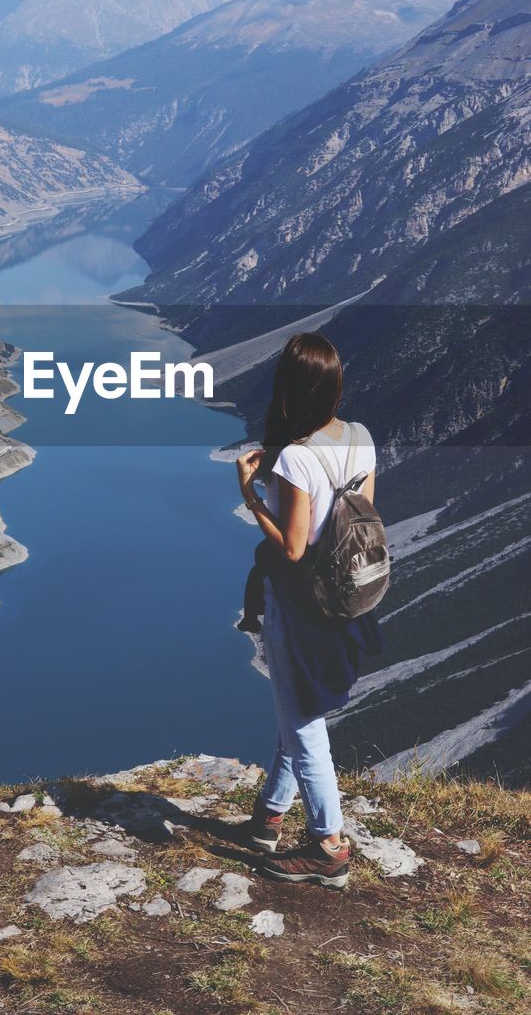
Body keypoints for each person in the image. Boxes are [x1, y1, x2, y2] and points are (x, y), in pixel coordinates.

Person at [235, 331, 382, 889]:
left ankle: (327, 845)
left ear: (290, 391)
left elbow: (292, 547)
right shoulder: (363, 440)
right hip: (346, 596)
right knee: (299, 709)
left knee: (302, 723)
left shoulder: (296, 457)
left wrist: (250, 493)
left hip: (298, 601)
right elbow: (363, 516)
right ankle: (269, 817)